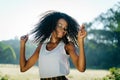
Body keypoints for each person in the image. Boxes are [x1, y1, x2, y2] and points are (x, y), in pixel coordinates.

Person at [20, 10, 87, 80]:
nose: (63, 29)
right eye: (60, 25)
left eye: (65, 28)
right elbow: (23, 68)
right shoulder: (41, 47)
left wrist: (80, 41)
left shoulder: (67, 46)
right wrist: (22, 45)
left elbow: (81, 68)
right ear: (52, 25)